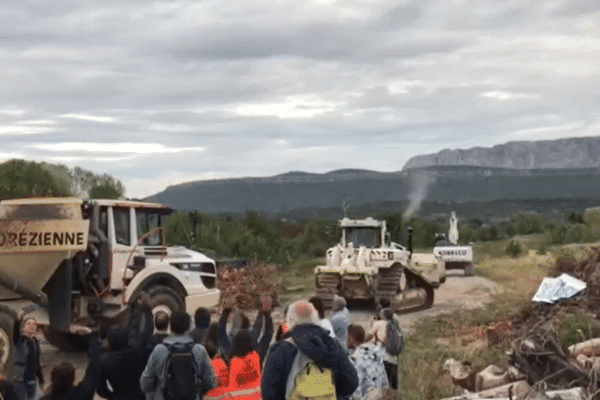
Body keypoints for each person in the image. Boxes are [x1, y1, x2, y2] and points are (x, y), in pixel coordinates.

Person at [261, 300, 358, 400]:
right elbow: (352, 382)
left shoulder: (280, 350)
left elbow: (269, 393)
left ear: (289, 321)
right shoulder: (332, 345)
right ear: (315, 320)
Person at [139, 311, 216, 400]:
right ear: (189, 328)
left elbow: (145, 384)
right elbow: (210, 382)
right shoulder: (199, 350)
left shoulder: (159, 350)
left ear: (170, 327)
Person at [39, 332, 101, 400]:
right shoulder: (82, 395)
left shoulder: (45, 398)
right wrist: (93, 337)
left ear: (52, 379)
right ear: (73, 379)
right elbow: (93, 369)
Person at [346, 324, 389, 400]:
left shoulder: (355, 359)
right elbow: (385, 381)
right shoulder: (375, 354)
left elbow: (356, 391)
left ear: (351, 339)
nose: (346, 340)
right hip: (381, 396)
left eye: (347, 337)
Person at [366, 307, 400, 390]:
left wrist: (361, 341)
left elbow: (369, 336)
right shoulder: (395, 325)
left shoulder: (379, 323)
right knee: (393, 383)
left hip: (383, 356)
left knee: (382, 382)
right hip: (394, 358)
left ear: (384, 316)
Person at [12, 312, 44, 400]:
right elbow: (15, 332)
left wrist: (41, 380)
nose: (32, 326)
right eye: (28, 324)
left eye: (34, 324)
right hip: (20, 380)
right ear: (24, 327)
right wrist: (18, 320)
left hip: (32, 379)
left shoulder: (35, 342)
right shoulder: (20, 340)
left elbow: (37, 361)